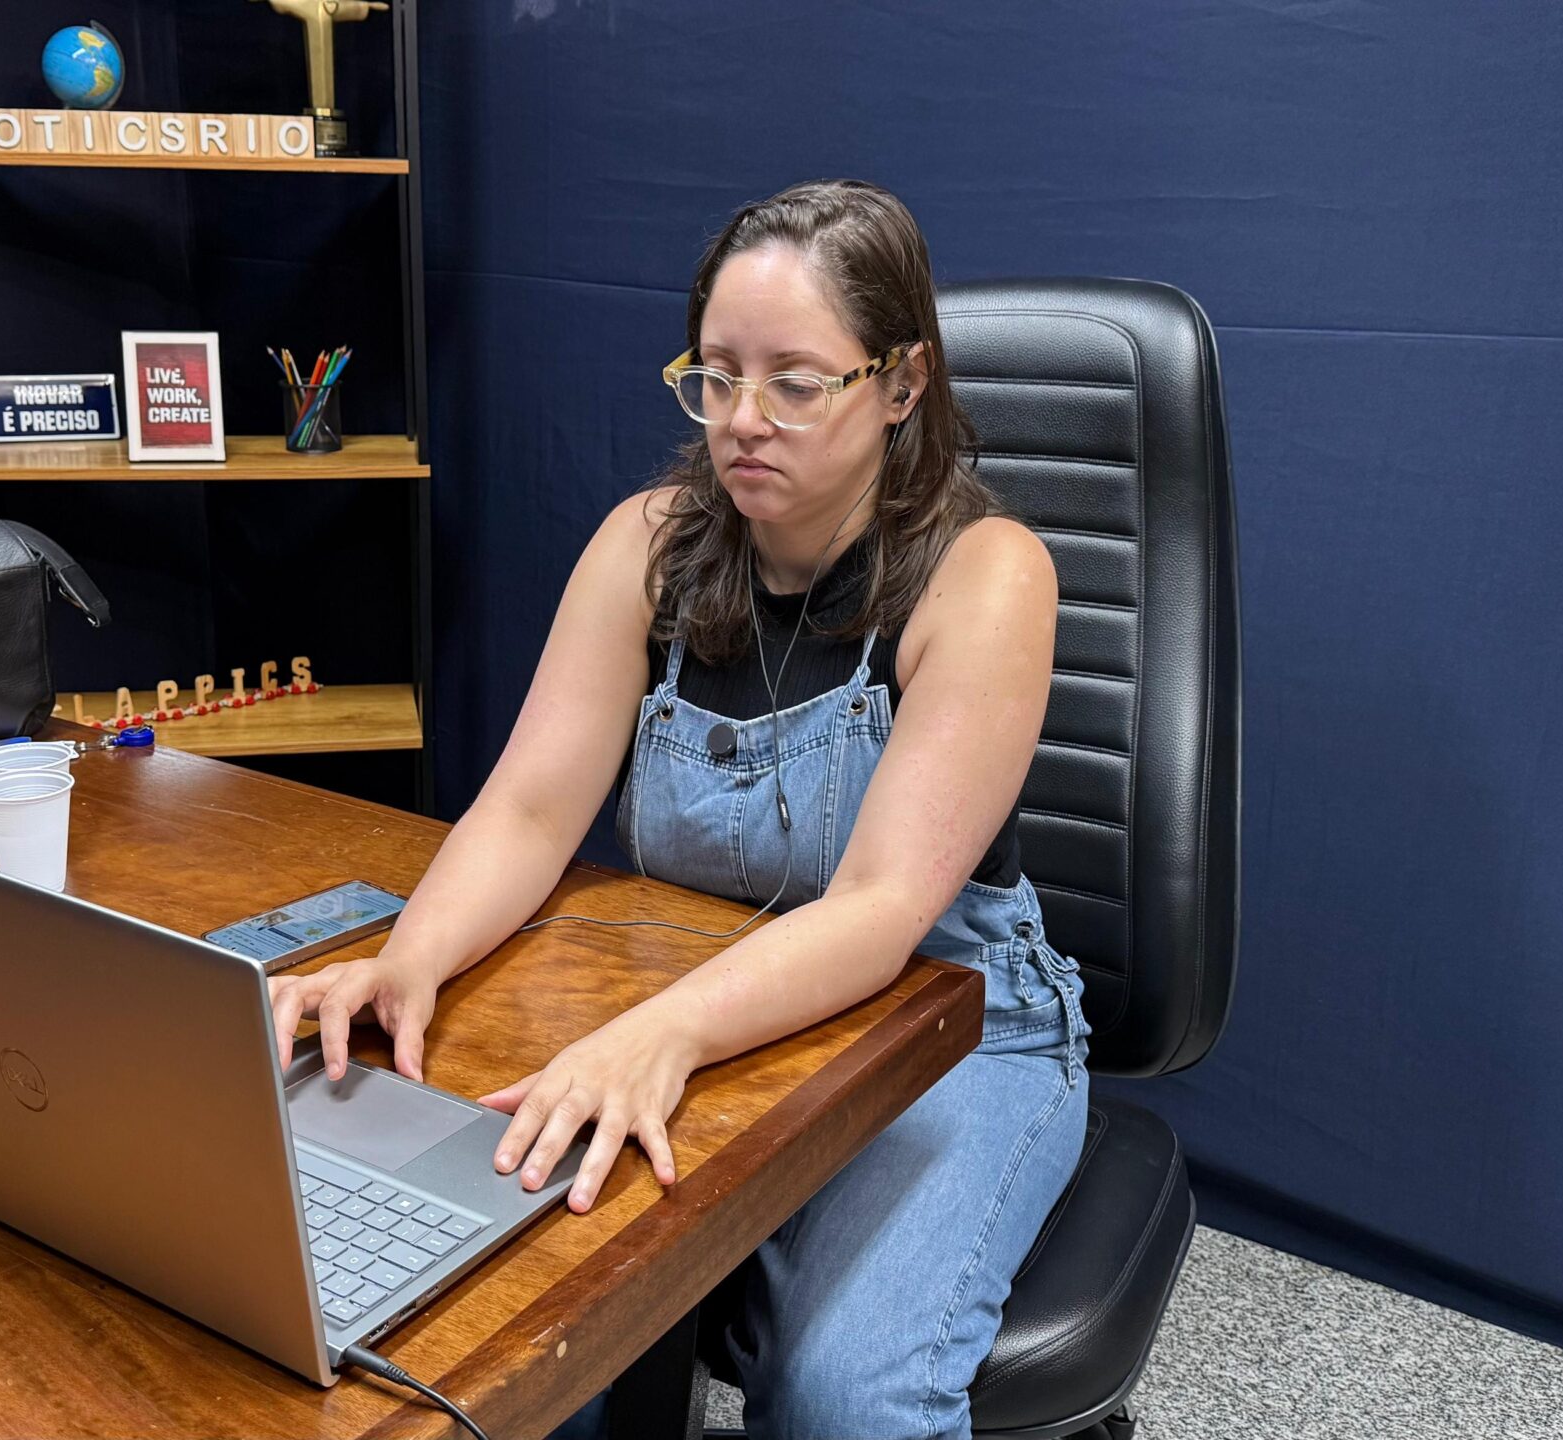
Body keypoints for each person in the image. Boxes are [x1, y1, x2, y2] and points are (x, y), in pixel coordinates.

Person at [267, 178, 1091, 1439]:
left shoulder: (986, 576)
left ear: (901, 383)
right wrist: (404, 961)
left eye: (795, 383)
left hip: (949, 1014)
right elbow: (530, 815)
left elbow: (878, 913)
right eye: (713, 375)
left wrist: (661, 1034)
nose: (742, 421)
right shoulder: (643, 545)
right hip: (695, 990)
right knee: (511, 1328)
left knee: (842, 1398)